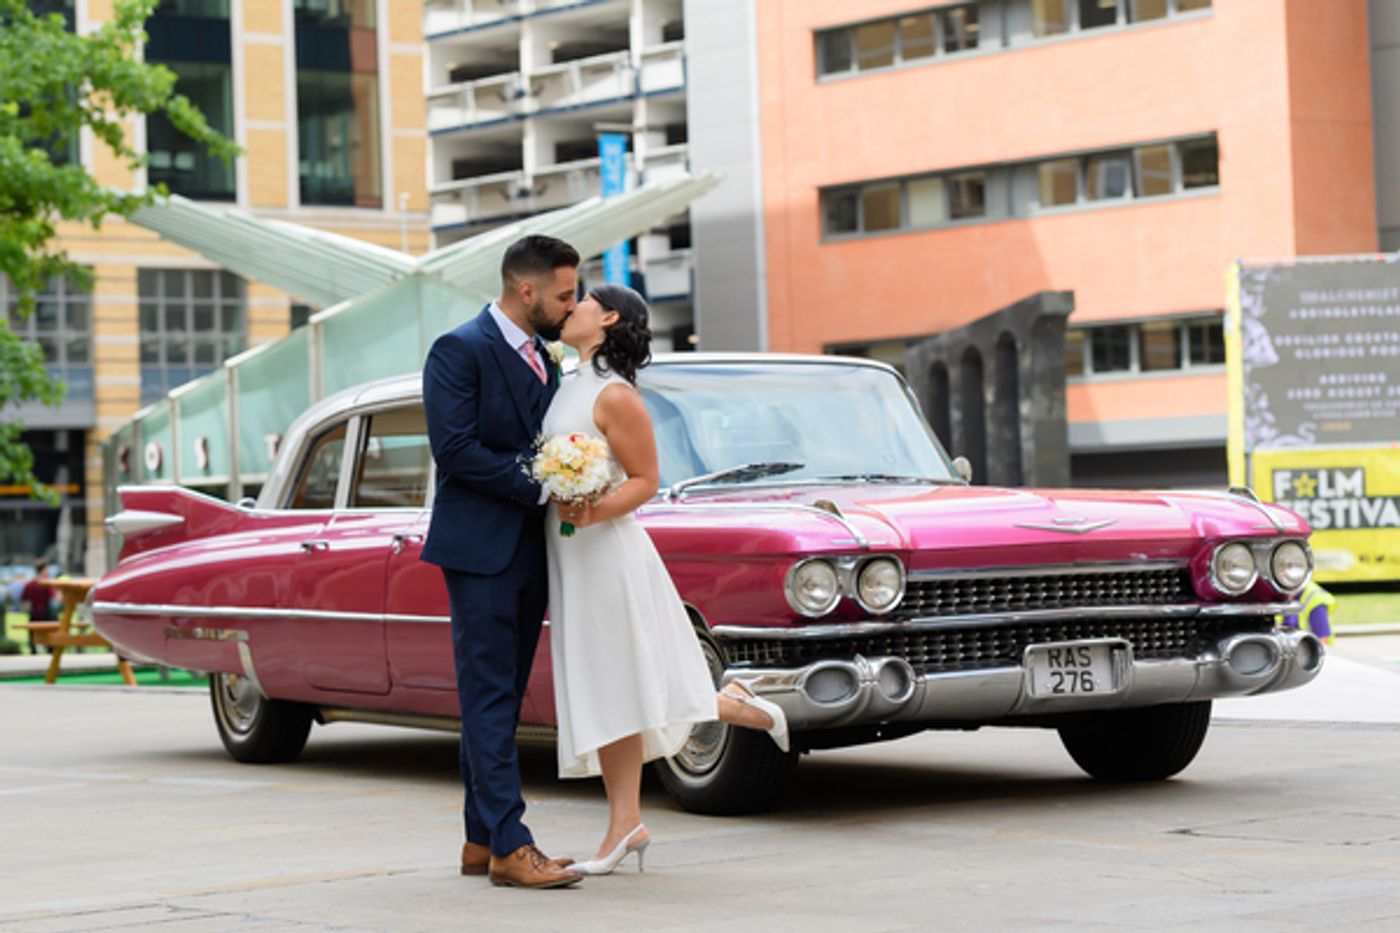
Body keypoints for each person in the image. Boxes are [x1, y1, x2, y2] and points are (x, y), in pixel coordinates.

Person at [545, 284, 789, 876]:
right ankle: (630, 821)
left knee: (618, 681)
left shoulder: (616, 394)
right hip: (571, 556)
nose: (565, 306)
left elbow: (645, 479)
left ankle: (625, 822)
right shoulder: (569, 382)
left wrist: (589, 507)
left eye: (576, 300)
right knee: (611, 686)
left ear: (606, 317)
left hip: (606, 552)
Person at [421, 234, 584, 890]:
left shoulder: (544, 357)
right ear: (527, 291)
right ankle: (513, 847)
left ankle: (479, 837)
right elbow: (454, 448)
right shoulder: (458, 349)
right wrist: (542, 483)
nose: (571, 305)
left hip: (528, 549)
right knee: (488, 694)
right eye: (565, 294)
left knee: (502, 696)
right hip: (480, 551)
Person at [19, 563, 56, 654]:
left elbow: (24, 600)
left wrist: (27, 610)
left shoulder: (30, 584)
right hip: (46, 612)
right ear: (43, 570)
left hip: (34, 612)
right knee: (49, 631)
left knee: (32, 633)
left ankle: (33, 650)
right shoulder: (47, 583)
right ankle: (50, 649)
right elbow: (54, 597)